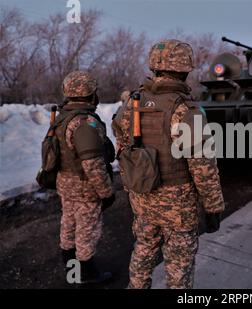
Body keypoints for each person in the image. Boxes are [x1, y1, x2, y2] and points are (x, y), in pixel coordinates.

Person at [112, 40, 225, 289]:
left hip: (142, 196)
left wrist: (134, 177)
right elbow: (202, 166)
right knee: (179, 265)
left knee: (143, 249)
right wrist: (213, 206)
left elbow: (121, 141)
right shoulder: (185, 109)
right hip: (178, 206)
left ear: (155, 67)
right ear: (185, 70)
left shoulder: (133, 102)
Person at [56, 71, 116, 284]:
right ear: (91, 93)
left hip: (66, 185)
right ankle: (86, 275)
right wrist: (107, 192)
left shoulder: (63, 117)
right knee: (86, 231)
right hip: (85, 189)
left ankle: (71, 269)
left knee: (69, 225)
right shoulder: (84, 122)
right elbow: (93, 164)